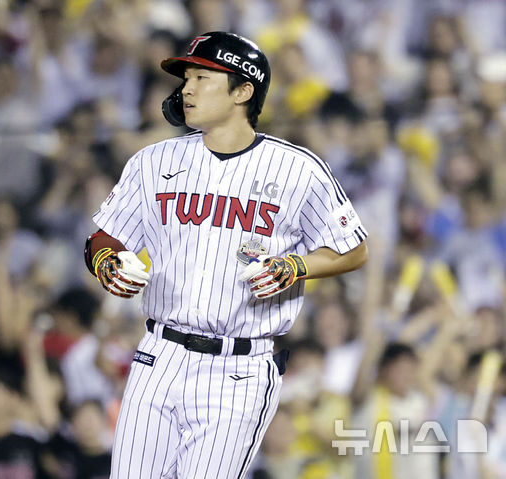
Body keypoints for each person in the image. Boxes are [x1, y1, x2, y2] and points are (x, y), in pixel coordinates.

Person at [83, 31, 369, 478]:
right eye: (186, 78)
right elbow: (102, 238)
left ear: (243, 91)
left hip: (241, 368)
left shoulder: (297, 168)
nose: (187, 89)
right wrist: (108, 263)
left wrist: (297, 266)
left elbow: (353, 250)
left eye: (202, 77)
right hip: (159, 355)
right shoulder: (152, 161)